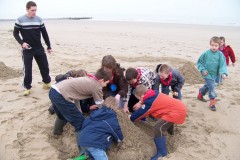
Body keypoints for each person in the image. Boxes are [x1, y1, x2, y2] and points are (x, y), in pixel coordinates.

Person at [129, 85, 187, 160]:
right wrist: (141, 102)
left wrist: (131, 117)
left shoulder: (150, 101)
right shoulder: (152, 93)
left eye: (139, 98)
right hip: (177, 107)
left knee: (158, 127)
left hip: (176, 112)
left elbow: (142, 112)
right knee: (165, 121)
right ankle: (170, 133)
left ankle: (162, 152)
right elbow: (147, 99)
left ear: (142, 95)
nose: (139, 100)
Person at [49, 68, 111, 137]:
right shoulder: (97, 87)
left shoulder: (88, 78)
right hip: (61, 96)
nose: (105, 85)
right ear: (102, 80)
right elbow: (100, 106)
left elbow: (75, 96)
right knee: (79, 122)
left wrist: (79, 111)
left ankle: (56, 133)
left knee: (62, 114)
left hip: (53, 90)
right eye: (106, 83)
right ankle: (82, 146)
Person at [13, 1, 52, 96]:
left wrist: (48, 46)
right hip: (27, 49)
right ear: (27, 9)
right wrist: (22, 43)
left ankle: (46, 83)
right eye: (32, 10)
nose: (34, 12)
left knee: (44, 66)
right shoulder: (20, 20)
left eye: (35, 10)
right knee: (28, 69)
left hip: (38, 47)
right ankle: (27, 87)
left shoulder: (39, 19)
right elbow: (15, 33)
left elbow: (44, 34)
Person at [197, 36, 228, 111]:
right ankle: (212, 102)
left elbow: (223, 64)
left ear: (219, 45)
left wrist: (223, 73)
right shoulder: (206, 53)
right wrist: (203, 70)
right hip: (207, 74)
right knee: (212, 87)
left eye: (216, 45)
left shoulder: (220, 55)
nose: (214, 47)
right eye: (212, 45)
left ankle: (200, 94)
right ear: (210, 44)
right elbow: (199, 63)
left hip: (216, 75)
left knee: (208, 86)